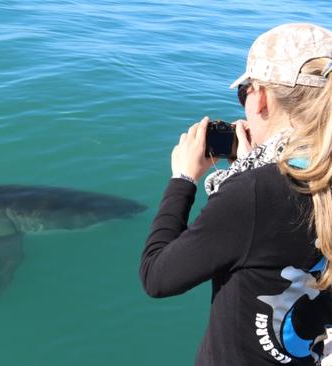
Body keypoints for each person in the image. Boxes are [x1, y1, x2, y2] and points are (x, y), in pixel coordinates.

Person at [139, 23, 332, 365]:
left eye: (244, 93)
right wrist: (250, 170)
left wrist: (183, 179)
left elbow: (157, 277)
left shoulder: (254, 193)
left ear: (260, 98)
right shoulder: (275, 185)